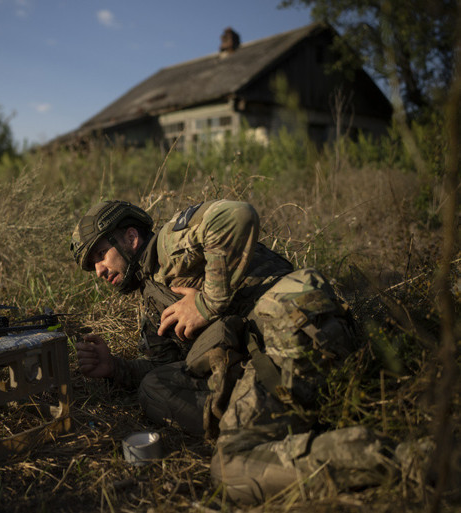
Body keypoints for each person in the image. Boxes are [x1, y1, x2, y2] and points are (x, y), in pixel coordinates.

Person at [71, 199, 400, 504]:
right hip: (279, 346)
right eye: (92, 266)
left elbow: (235, 215)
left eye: (100, 254)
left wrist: (205, 305)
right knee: (153, 388)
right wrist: (115, 367)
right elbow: (164, 366)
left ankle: (401, 461)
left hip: (291, 325)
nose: (98, 271)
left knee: (232, 467)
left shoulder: (167, 246)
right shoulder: (152, 296)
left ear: (131, 238)